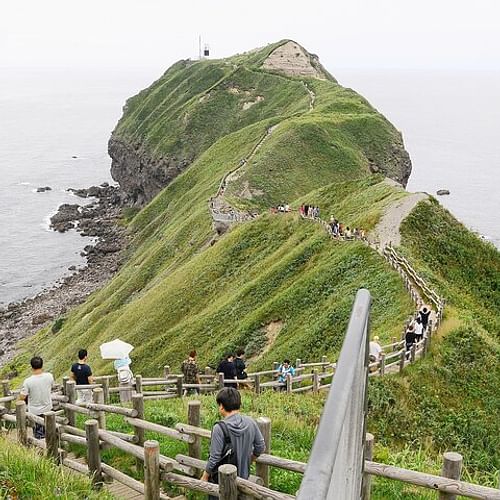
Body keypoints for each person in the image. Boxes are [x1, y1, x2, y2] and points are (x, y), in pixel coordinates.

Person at [201, 387, 265, 496]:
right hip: (244, 478)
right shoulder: (251, 422)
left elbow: (214, 458)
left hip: (222, 480)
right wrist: (249, 460)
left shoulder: (219, 427)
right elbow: (260, 447)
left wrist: (205, 476)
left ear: (221, 406)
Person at [19, 356, 54, 439]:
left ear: (31, 367)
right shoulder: (49, 376)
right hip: (48, 408)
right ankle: (51, 450)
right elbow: (51, 386)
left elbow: (22, 396)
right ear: (42, 365)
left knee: (38, 434)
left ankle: (40, 450)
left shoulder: (28, 381)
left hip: (35, 411)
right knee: (49, 432)